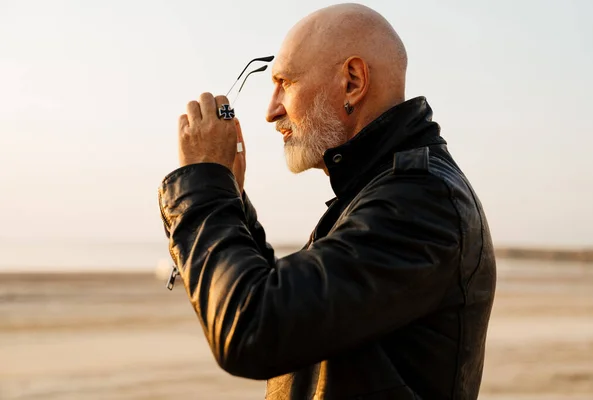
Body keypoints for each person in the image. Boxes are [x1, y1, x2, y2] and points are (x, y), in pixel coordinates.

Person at [158, 3, 496, 399]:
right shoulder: (382, 190)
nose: (271, 111)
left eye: (285, 82)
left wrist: (202, 188)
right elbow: (299, 317)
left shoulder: (422, 200)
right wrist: (230, 199)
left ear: (352, 81)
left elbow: (255, 329)